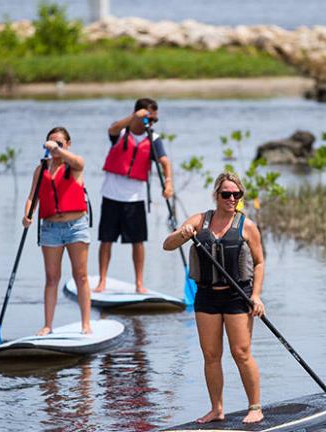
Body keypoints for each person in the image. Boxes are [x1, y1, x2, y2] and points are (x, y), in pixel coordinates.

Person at [163, 172, 266, 424]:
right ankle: (216, 409)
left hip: (237, 297)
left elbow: (260, 262)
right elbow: (167, 244)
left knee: (241, 353)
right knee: (211, 355)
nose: (231, 198)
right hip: (206, 297)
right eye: (226, 194)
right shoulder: (200, 220)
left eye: (236, 194)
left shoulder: (247, 226)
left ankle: (255, 407)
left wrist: (256, 296)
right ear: (216, 196)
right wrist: (183, 234)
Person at [95, 98, 173, 294]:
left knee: (138, 242)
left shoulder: (153, 138)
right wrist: (133, 117)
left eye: (154, 119)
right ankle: (102, 281)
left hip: (135, 198)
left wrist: (169, 182)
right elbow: (111, 129)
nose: (151, 123)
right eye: (148, 117)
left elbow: (165, 162)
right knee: (106, 239)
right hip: (111, 195)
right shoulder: (122, 131)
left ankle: (139, 283)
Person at [23, 126, 92, 336]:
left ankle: (86, 324)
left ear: (67, 145)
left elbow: (79, 162)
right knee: (52, 277)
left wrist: (59, 151)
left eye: (60, 144)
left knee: (80, 275)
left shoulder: (74, 165)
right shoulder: (41, 169)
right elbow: (32, 197)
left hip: (76, 226)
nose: (54, 148)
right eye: (51, 144)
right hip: (51, 228)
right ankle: (47, 325)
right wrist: (27, 215)